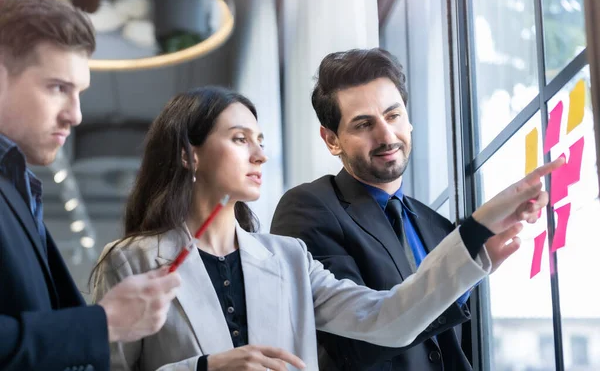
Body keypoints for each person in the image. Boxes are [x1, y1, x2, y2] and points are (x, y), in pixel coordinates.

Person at [91, 85, 561, 371]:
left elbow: (388, 318)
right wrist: (204, 368)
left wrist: (475, 232)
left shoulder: (288, 259)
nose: (259, 155)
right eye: (239, 140)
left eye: (260, 141)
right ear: (188, 153)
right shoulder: (131, 261)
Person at [270, 47, 520, 371]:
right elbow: (354, 345)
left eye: (393, 115)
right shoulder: (308, 208)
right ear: (332, 140)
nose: (387, 136)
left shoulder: (439, 227)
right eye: (363, 125)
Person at [0, 0, 181, 371]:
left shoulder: (16, 184)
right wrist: (104, 323)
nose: (76, 115)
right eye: (58, 88)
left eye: (78, 92)